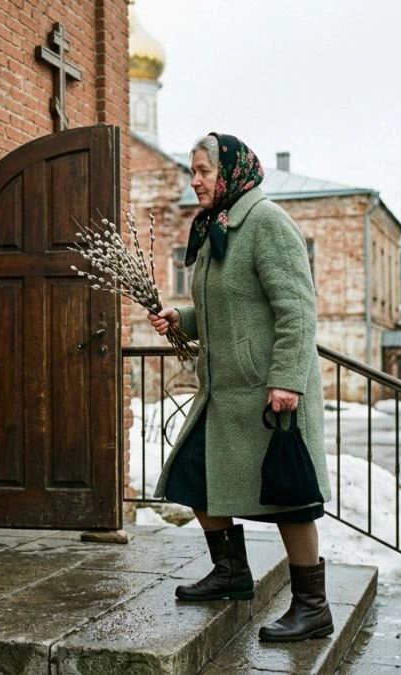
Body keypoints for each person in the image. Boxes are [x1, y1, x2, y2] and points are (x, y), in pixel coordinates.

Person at [148, 133, 333, 643]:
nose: (195, 180)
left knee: (288, 497)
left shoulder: (266, 222)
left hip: (268, 393)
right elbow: (226, 307)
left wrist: (287, 380)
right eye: (193, 171)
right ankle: (231, 573)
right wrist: (182, 318)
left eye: (203, 171)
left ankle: (313, 607)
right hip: (223, 391)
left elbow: (297, 308)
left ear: (229, 172)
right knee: (192, 475)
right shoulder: (218, 227)